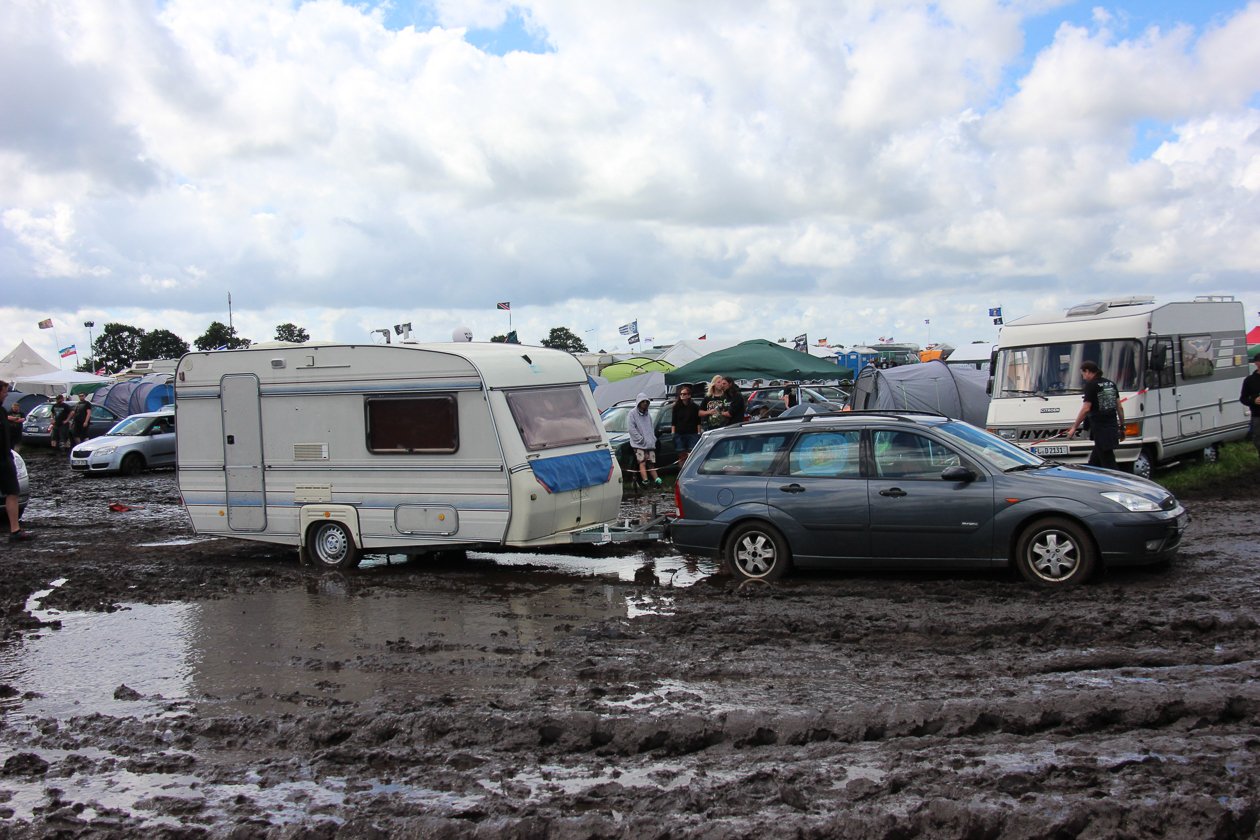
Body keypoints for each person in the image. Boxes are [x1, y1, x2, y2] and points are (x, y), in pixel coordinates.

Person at [1066, 361, 1124, 469]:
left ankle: (1118, 484)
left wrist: (1074, 427)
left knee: (1109, 463)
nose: (1083, 378)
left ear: (1087, 371)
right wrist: (1122, 426)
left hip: (1100, 428)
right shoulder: (1111, 384)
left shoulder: (1091, 385)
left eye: (1083, 374)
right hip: (1111, 427)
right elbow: (1119, 407)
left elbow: (1086, 409)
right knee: (1094, 462)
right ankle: (1091, 480)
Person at [0, 381, 33, 542]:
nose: (6, 395)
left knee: (13, 491)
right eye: (4, 392)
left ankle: (15, 530)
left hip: (6, 457)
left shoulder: (2, 411)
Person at [627, 393, 661, 486]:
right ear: (639, 402)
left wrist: (652, 438)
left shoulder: (648, 415)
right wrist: (640, 440)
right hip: (639, 444)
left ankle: (657, 480)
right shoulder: (632, 414)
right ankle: (645, 481)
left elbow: (651, 427)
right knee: (642, 462)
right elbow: (631, 429)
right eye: (643, 402)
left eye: (646, 402)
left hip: (650, 444)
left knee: (651, 463)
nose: (645, 403)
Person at [670, 385, 702, 465]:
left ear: (689, 395)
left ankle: (691, 470)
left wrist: (698, 433)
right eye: (681, 394)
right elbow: (673, 422)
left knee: (692, 454)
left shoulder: (695, 407)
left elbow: (698, 421)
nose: (682, 396)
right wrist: (673, 433)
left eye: (684, 394)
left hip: (692, 433)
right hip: (679, 434)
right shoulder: (676, 407)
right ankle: (681, 472)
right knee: (681, 455)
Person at [1240, 351, 1260, 458]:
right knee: (1257, 439)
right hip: (1257, 415)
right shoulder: (1249, 380)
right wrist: (1253, 401)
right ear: (1256, 363)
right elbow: (1243, 399)